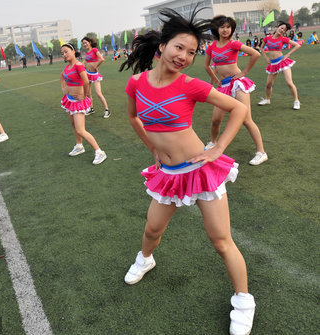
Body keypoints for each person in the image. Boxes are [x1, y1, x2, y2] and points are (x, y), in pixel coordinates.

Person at [119, 8, 255, 335]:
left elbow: (237, 107)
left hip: (200, 170)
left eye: (192, 52)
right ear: (163, 46)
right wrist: (152, 149)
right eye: (179, 47)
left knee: (220, 240)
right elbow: (135, 118)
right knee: (152, 230)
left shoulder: (190, 85)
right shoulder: (136, 82)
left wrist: (218, 148)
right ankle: (145, 259)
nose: (184, 56)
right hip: (167, 174)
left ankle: (244, 300)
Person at [204, 15, 268, 166]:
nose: (225, 30)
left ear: (231, 29)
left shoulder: (234, 44)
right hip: (222, 86)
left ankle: (261, 152)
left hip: (237, 83)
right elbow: (207, 65)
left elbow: (256, 54)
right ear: (217, 29)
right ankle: (213, 143)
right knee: (215, 120)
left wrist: (244, 72)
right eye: (222, 27)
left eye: (228, 27)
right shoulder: (211, 46)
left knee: (246, 120)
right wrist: (214, 78)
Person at [60, 43, 107, 165]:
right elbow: (62, 77)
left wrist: (84, 96)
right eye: (62, 53)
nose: (64, 55)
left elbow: (86, 82)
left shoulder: (78, 65)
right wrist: (64, 89)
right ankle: (79, 146)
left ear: (73, 51)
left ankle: (99, 152)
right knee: (74, 125)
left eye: (66, 52)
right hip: (69, 100)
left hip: (78, 102)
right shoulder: (67, 68)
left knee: (80, 130)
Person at [258, 21, 301, 110]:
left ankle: (296, 101)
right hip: (273, 64)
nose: (282, 30)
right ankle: (267, 99)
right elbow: (261, 47)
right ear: (277, 27)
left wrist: (288, 54)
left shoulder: (283, 38)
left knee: (289, 82)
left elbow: (297, 45)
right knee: (268, 84)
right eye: (281, 28)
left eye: (284, 30)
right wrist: (266, 58)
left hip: (282, 62)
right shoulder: (267, 38)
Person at [81, 37, 111, 118]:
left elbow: (102, 59)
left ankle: (107, 110)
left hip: (94, 75)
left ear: (90, 42)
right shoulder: (87, 53)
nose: (84, 44)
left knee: (98, 93)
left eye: (85, 42)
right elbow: (85, 62)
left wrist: (96, 66)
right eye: (83, 43)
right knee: (88, 93)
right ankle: (91, 108)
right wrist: (82, 65)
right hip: (87, 74)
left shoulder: (94, 50)